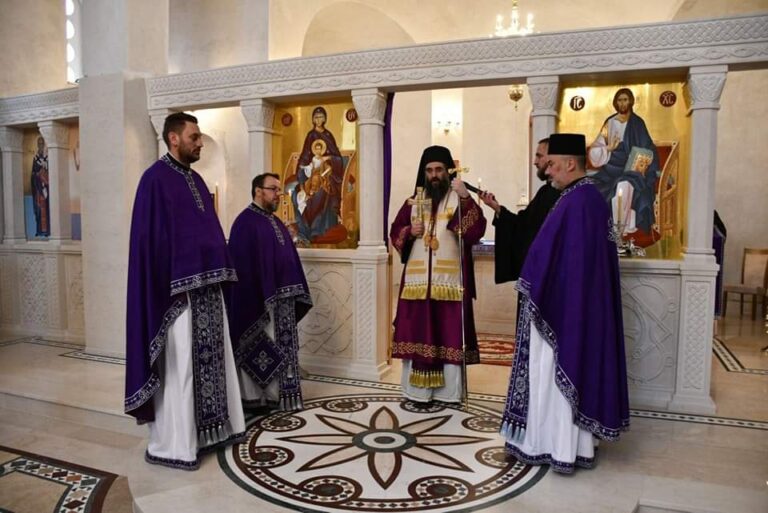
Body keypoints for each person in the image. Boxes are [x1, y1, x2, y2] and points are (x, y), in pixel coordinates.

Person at [501, 133, 629, 473]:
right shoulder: (588, 198)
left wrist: (532, 284)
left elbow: (554, 259)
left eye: (553, 165)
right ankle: (570, 446)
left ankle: (553, 445)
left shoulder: (576, 201)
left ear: (570, 163)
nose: (548, 171)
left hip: (562, 310)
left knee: (553, 375)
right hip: (573, 307)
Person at [125, 112, 245, 470]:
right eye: (194, 137)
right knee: (182, 368)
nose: (200, 142)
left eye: (200, 137)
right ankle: (177, 443)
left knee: (213, 361)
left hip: (208, 291)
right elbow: (149, 243)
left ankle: (211, 432)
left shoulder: (197, 179)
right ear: (174, 138)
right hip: (177, 297)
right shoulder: (154, 180)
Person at [390, 145, 487, 403]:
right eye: (429, 170)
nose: (434, 175)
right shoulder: (412, 202)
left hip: (450, 287)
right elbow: (395, 231)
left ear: (448, 171)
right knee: (417, 333)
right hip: (416, 287)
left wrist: (466, 198)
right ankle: (416, 391)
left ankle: (448, 393)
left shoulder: (459, 199)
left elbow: (475, 231)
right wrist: (409, 232)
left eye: (439, 170)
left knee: (449, 334)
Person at [227, 173, 313, 412]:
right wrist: (262, 292)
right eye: (273, 189)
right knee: (259, 346)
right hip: (258, 303)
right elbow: (241, 267)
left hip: (283, 301)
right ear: (258, 191)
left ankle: (281, 395)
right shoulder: (244, 223)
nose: (279, 195)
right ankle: (255, 398)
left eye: (279, 190)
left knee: (281, 347)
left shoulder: (275, 221)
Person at [478, 137, 560, 283]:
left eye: (539, 156)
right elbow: (524, 224)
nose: (535, 162)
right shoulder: (545, 191)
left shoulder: (564, 194)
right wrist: (497, 208)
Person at [588, 88, 659, 234]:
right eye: (619, 100)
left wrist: (640, 164)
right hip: (610, 170)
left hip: (631, 171)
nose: (622, 103)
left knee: (623, 185)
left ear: (631, 101)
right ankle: (600, 228)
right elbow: (596, 147)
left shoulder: (637, 123)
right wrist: (608, 148)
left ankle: (620, 229)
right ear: (615, 102)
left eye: (625, 100)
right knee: (590, 186)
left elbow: (647, 148)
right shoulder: (610, 123)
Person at [292, 106, 346, 244]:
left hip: (327, 177)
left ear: (325, 118)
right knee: (296, 193)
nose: (318, 120)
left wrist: (328, 158)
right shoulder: (310, 135)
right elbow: (305, 156)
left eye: (321, 117)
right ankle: (303, 230)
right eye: (316, 117)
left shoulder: (328, 136)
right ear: (312, 119)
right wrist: (302, 174)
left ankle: (316, 229)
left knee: (321, 193)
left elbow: (338, 159)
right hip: (310, 176)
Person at [31, 136, 50, 237]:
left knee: (47, 209)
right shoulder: (35, 158)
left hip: (46, 188)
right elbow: (33, 173)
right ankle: (39, 231)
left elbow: (51, 172)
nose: (41, 146)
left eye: (42, 144)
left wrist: (44, 173)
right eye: (39, 144)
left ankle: (47, 231)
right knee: (38, 210)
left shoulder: (48, 158)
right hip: (38, 189)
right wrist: (37, 175)